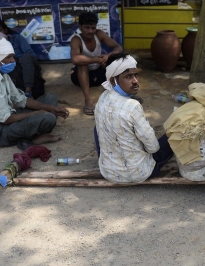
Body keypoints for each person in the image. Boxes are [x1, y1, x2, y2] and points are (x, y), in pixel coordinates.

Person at [0, 38, 69, 148]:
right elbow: (5, 119)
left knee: (50, 99)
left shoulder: (1, 73)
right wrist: (35, 113)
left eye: (12, 56)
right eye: (8, 57)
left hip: (8, 116)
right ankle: (33, 137)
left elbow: (21, 99)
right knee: (47, 118)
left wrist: (51, 108)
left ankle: (33, 132)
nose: (13, 60)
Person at [94, 53, 174, 183]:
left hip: (108, 172)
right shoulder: (133, 107)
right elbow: (153, 148)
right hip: (137, 173)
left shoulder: (102, 98)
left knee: (98, 127)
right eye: (128, 77)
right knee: (173, 134)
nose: (135, 81)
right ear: (113, 80)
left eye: (136, 75)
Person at [70, 12, 123, 115]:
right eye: (87, 28)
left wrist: (108, 56)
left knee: (117, 60)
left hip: (98, 74)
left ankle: (123, 92)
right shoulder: (76, 39)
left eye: (93, 28)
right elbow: (75, 59)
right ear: (80, 27)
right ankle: (88, 100)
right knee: (82, 63)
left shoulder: (99, 34)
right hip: (80, 76)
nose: (90, 31)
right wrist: (95, 59)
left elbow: (118, 48)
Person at [0, 18, 45, 99]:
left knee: (26, 57)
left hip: (23, 67)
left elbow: (32, 55)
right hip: (10, 72)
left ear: (5, 31)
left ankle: (28, 92)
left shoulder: (17, 39)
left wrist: (15, 59)